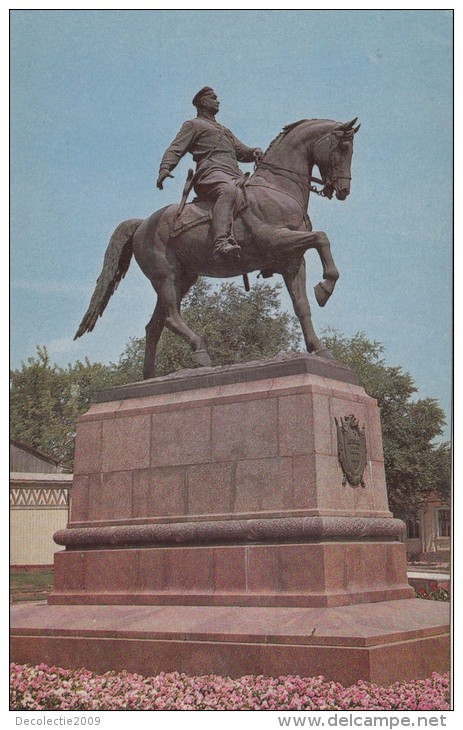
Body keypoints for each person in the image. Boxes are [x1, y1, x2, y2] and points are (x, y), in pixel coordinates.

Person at [157, 87, 264, 260]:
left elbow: (241, 150)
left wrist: (254, 152)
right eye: (213, 98)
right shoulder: (193, 125)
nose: (218, 101)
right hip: (211, 174)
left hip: (233, 173)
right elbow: (176, 149)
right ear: (203, 102)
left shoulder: (224, 130)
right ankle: (220, 242)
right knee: (228, 191)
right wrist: (165, 168)